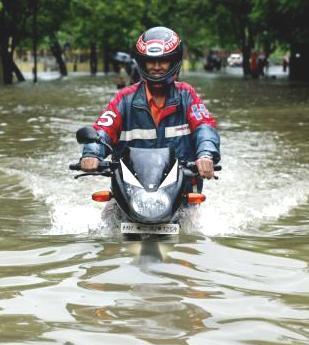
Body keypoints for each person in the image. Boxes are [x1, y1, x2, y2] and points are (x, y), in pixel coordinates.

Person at [80, 27, 220, 190]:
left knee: (194, 214)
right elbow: (103, 130)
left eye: (163, 61)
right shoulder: (124, 99)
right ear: (142, 62)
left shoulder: (187, 95)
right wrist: (92, 153)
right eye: (150, 61)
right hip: (131, 189)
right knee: (107, 214)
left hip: (181, 189)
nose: (157, 66)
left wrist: (206, 154)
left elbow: (204, 127)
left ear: (174, 61)